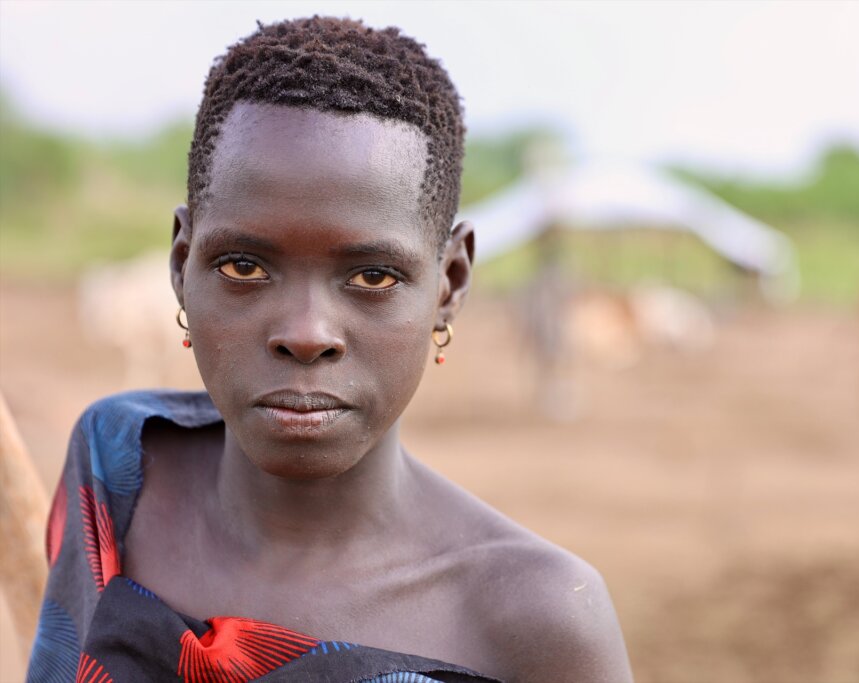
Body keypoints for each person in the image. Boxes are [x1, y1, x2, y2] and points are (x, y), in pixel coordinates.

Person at [27, 16, 632, 683]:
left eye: (372, 276)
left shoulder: (537, 622)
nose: (307, 331)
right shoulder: (115, 471)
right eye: (243, 267)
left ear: (450, 282)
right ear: (181, 262)